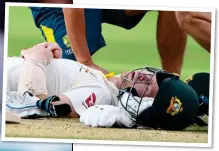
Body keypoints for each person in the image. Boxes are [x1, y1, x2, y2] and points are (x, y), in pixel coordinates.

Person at [6, 42, 202, 130]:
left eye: (149, 88)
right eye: (156, 77)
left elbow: (34, 106)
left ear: (139, 104)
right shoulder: (105, 81)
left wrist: (37, 61)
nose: (146, 77)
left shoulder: (101, 95)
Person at [30, 7, 187, 75]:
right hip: (57, 7)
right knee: (72, 71)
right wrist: (85, 61)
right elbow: (72, 5)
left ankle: (171, 81)